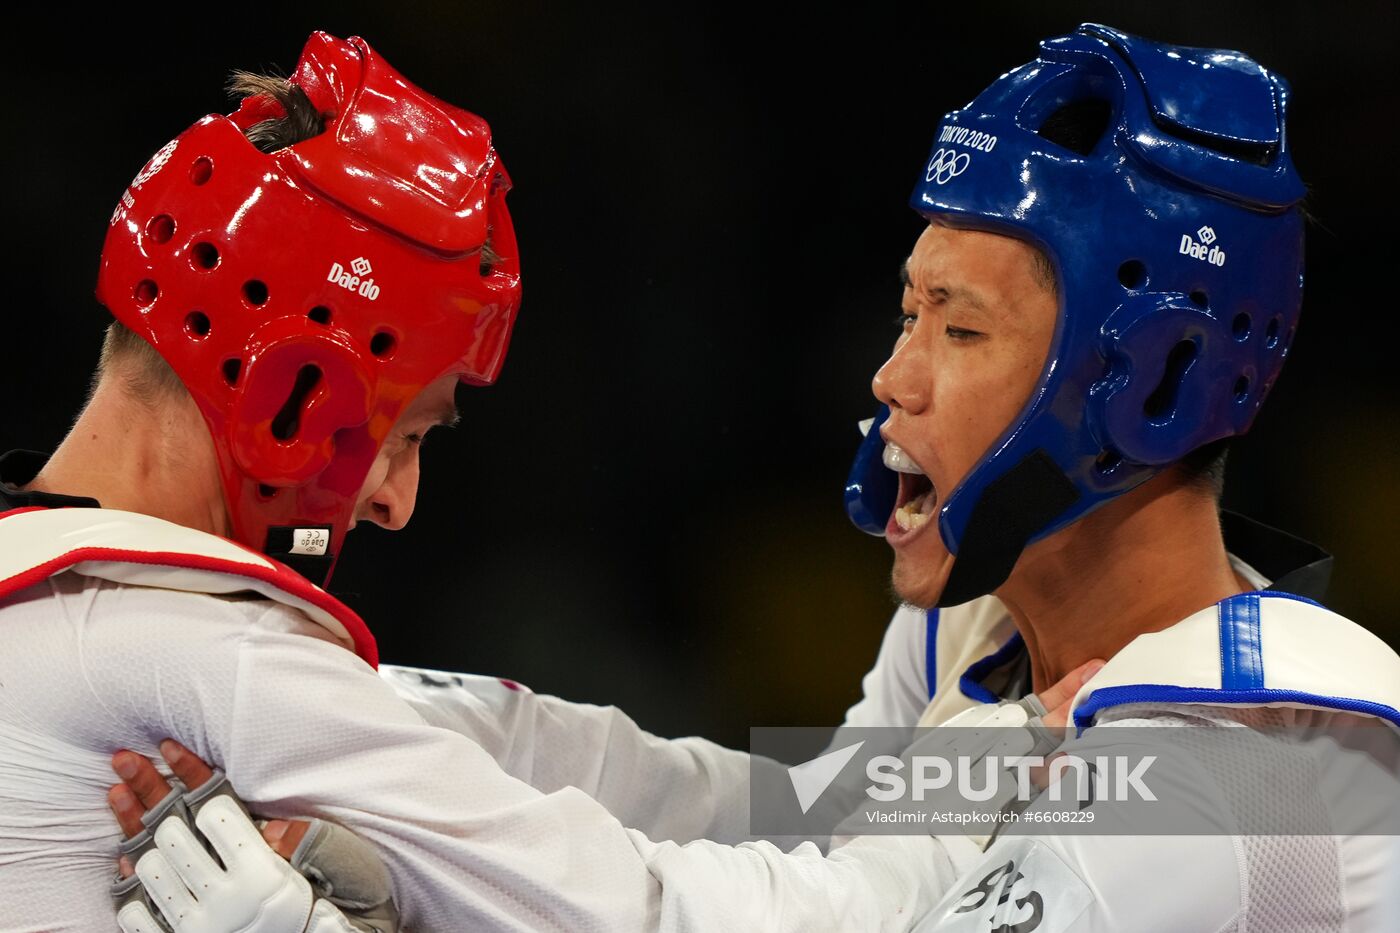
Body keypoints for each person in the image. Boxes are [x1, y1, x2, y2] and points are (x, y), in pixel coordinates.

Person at [26, 22, 1400, 932]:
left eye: (962, 329)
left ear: (1148, 386)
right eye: (908, 311)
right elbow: (773, 817)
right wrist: (413, 736)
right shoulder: (973, 645)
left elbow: (778, 906)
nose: (893, 376)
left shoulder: (1250, 755)